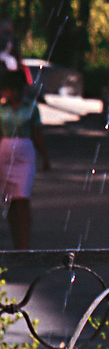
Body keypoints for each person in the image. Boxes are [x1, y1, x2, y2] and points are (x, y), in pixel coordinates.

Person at [0, 66, 50, 248]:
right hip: (4, 155)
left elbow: (37, 134)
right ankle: (16, 240)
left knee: (22, 197)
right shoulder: (1, 110)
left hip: (24, 154)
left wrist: (44, 157)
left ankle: (24, 243)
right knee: (12, 200)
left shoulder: (31, 109)